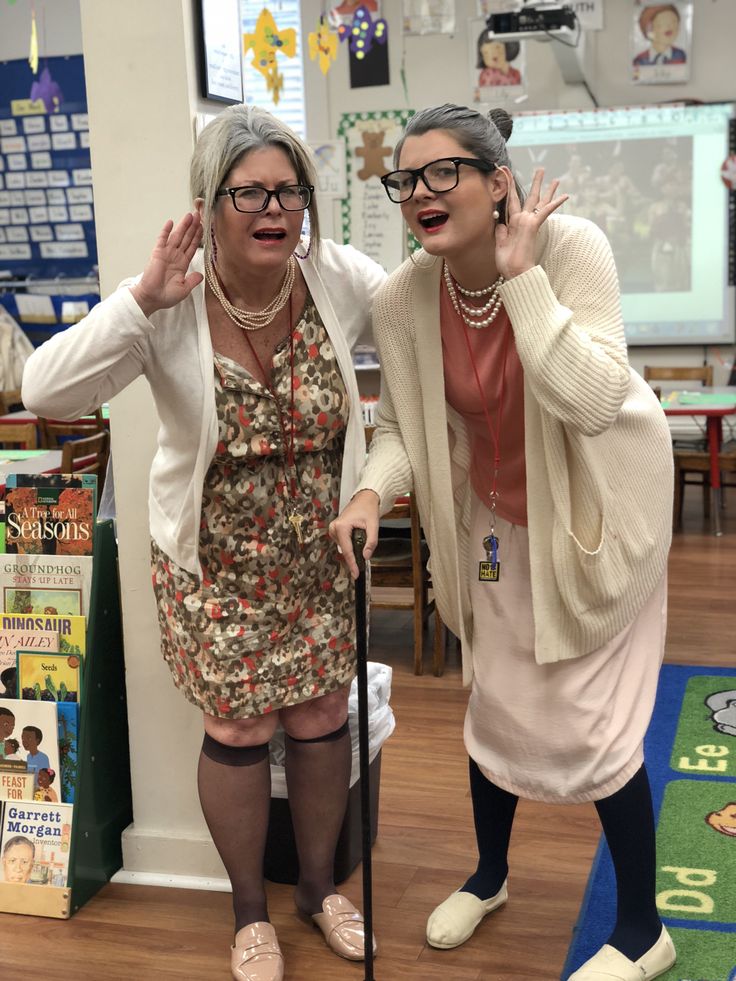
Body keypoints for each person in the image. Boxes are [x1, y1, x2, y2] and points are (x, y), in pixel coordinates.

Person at [22, 104, 386, 981]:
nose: (274, 208)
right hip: (211, 564)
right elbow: (45, 390)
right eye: (250, 191)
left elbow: (421, 326)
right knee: (238, 723)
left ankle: (317, 889)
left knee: (322, 715)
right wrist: (138, 300)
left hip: (317, 553)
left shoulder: (338, 279)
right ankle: (250, 914)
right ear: (209, 202)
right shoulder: (170, 300)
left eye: (289, 189)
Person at [330, 104, 677, 981]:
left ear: (498, 182)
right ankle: (490, 875)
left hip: (599, 520)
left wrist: (526, 284)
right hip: (491, 523)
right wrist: (374, 489)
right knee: (494, 704)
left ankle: (643, 928)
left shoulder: (574, 250)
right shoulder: (404, 295)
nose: (420, 194)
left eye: (443, 172)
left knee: (597, 724)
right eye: (406, 180)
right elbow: (404, 426)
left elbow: (593, 401)